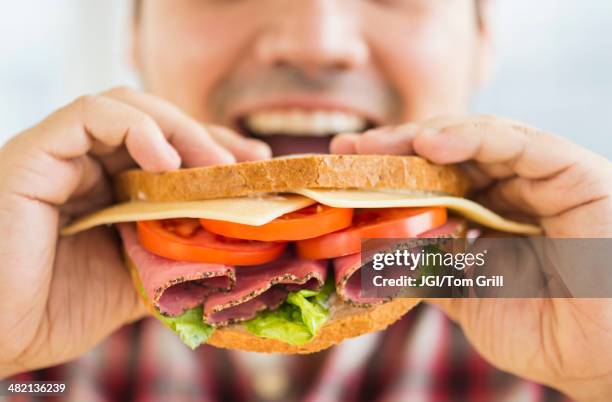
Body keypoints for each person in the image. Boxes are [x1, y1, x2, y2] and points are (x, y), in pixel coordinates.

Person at [1, 0, 611, 400]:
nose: (316, 42)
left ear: (482, 41)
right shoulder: (28, 298)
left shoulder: (562, 289)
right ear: (134, 35)